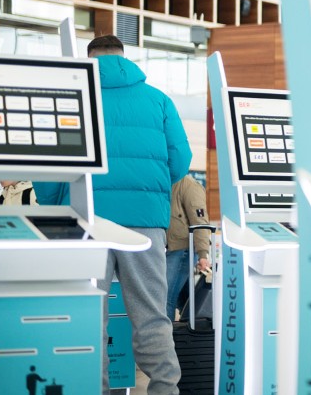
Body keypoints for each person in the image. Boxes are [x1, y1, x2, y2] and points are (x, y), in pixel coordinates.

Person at [36, 34, 190, 395]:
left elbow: (48, 172)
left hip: (89, 222)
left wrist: (57, 204)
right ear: (124, 57)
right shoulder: (160, 100)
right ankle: (165, 389)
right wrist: (147, 194)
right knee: (152, 314)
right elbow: (180, 162)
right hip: (146, 225)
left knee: (91, 316)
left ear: (88, 58)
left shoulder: (76, 97)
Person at [166, 174, 211, 319]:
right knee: (184, 299)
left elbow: (200, 221)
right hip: (168, 249)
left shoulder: (189, 185)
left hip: (182, 249)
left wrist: (203, 254)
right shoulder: (165, 181)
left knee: (166, 298)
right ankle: (193, 335)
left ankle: (165, 340)